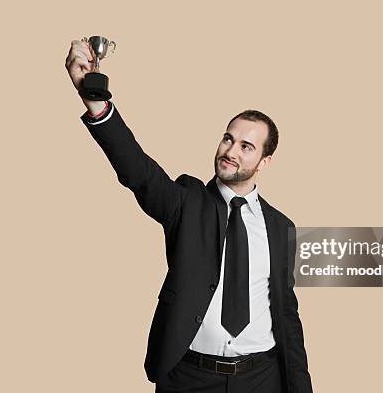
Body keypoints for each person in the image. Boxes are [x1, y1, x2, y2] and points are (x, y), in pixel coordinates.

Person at [65, 39, 313, 393]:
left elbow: (287, 314)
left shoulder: (280, 227)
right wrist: (96, 102)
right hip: (191, 378)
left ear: (265, 162)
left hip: (262, 378)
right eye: (228, 139)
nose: (231, 151)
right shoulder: (186, 201)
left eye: (246, 146)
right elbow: (139, 171)